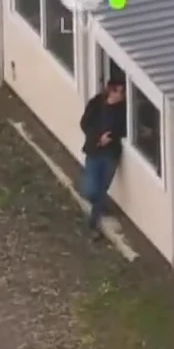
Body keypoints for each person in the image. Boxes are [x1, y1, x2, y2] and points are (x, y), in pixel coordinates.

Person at [79, 78, 127, 239]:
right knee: (91, 190)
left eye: (122, 92)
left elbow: (125, 128)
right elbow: (85, 123)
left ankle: (93, 223)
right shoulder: (97, 104)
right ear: (109, 90)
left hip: (110, 154)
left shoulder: (124, 110)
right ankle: (99, 205)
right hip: (94, 151)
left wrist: (111, 136)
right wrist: (98, 138)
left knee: (101, 189)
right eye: (117, 91)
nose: (120, 95)